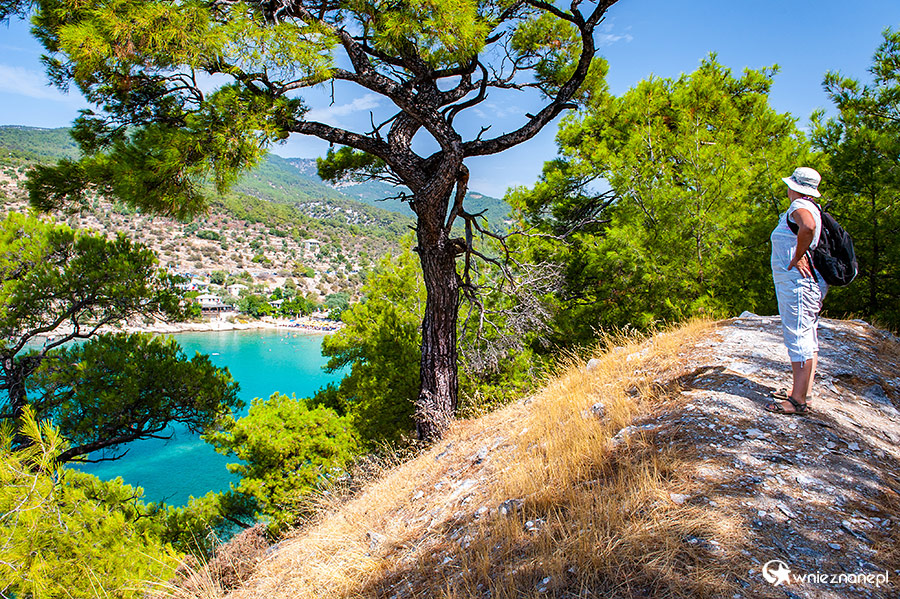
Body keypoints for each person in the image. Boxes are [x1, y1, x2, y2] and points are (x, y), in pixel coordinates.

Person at [766, 167, 827, 416]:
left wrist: (798, 255)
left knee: (798, 336)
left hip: (798, 284)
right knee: (807, 335)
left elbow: (808, 227)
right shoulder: (812, 206)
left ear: (793, 186)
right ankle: (803, 392)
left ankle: (798, 401)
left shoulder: (799, 206)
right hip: (807, 283)